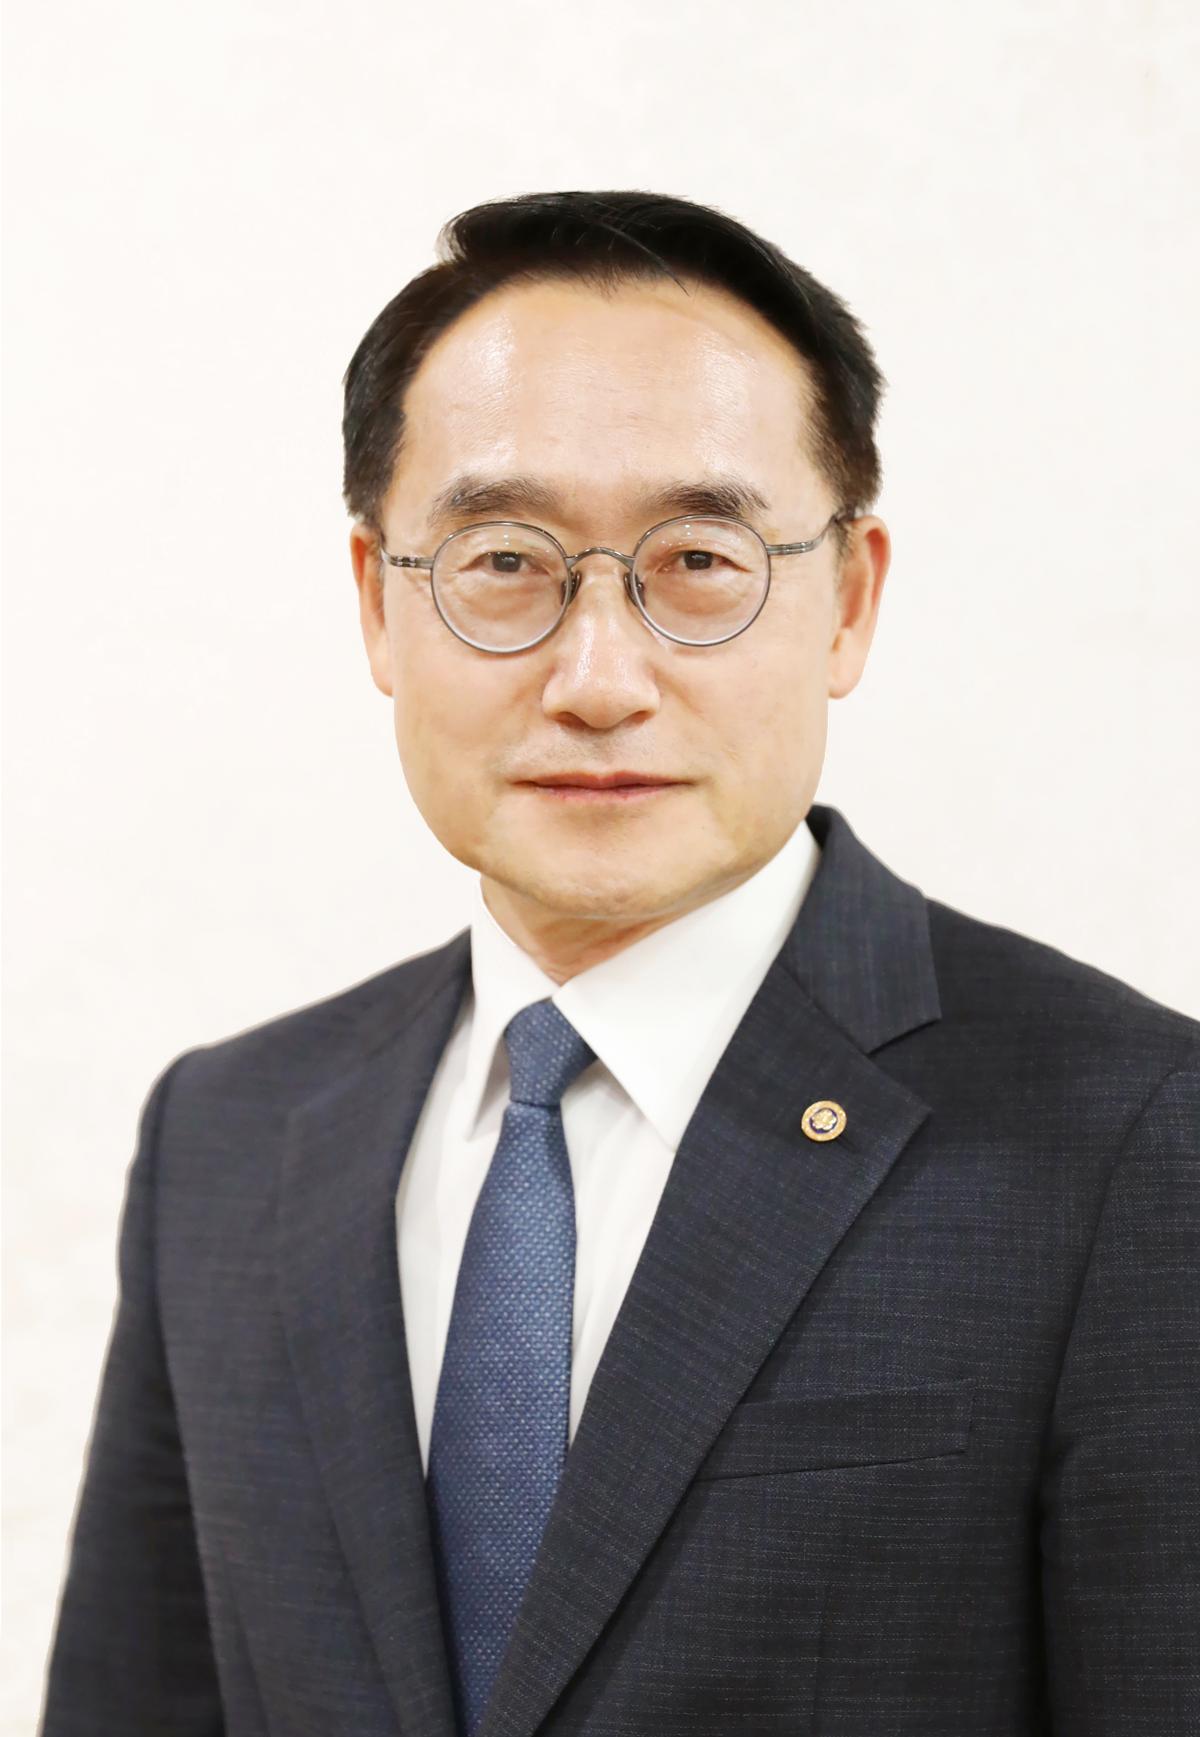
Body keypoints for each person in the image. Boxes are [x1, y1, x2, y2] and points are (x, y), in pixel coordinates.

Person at [40, 189, 1199, 1737]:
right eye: (503, 561)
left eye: (701, 559)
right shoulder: (231, 1137)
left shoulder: (1130, 1136)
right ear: (378, 602)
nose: (599, 678)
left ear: (849, 601)